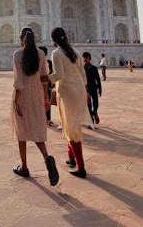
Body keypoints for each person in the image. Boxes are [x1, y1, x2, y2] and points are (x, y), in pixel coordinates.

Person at [11, 27, 59, 186]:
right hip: (38, 93)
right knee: (37, 129)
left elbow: (18, 80)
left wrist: (16, 100)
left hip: (23, 94)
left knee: (21, 131)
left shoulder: (18, 54)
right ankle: (46, 158)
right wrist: (45, 97)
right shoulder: (41, 54)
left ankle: (24, 166)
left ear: (21, 38)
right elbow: (45, 77)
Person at [49, 27, 92, 179]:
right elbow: (82, 74)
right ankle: (71, 157)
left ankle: (81, 168)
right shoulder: (76, 52)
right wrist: (86, 92)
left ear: (53, 40)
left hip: (67, 92)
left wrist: (45, 79)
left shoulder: (56, 53)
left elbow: (58, 75)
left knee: (71, 127)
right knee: (72, 125)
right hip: (79, 90)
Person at [82, 52, 102, 126]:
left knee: (95, 104)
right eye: (84, 58)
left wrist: (100, 89)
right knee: (89, 105)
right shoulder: (82, 69)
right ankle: (91, 122)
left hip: (94, 87)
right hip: (86, 89)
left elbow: (98, 79)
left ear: (90, 59)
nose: (85, 59)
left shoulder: (94, 68)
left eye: (86, 58)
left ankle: (95, 112)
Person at [39, 46, 54, 126]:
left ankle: (48, 119)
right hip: (38, 85)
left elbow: (51, 74)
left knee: (48, 102)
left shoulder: (49, 62)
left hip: (47, 85)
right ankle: (41, 118)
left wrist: (52, 83)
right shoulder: (36, 62)